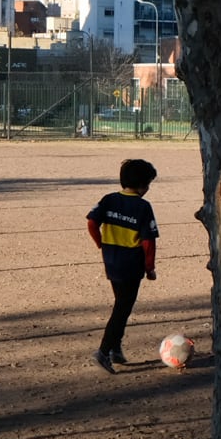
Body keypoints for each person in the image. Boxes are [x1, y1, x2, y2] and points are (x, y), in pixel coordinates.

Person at [85, 157, 159, 373]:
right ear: (143, 185)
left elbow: (91, 222)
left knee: (122, 304)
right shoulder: (143, 207)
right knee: (122, 308)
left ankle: (116, 349)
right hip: (132, 265)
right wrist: (150, 268)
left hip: (112, 261)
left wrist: (101, 243)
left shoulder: (108, 199)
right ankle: (103, 350)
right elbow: (148, 242)